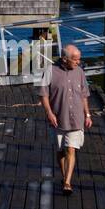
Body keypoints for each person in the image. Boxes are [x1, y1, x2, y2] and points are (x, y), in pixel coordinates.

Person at [39, 44, 91, 195]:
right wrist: (49, 113)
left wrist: (87, 114)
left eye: (79, 59)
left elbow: (84, 95)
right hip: (58, 118)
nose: (78, 62)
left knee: (71, 149)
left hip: (77, 118)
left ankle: (67, 182)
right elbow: (43, 94)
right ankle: (64, 176)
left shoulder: (80, 72)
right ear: (64, 59)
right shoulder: (50, 71)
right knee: (61, 151)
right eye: (75, 59)